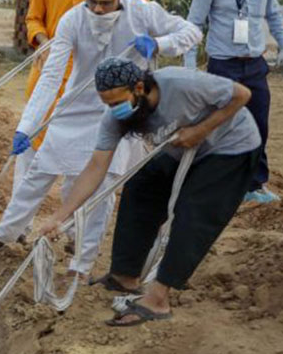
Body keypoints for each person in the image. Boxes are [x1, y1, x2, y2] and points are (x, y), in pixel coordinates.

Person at [0, 0, 202, 279]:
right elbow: (51, 75)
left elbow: (191, 32)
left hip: (121, 112)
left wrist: (160, 44)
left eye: (105, 2)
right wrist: (27, 125)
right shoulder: (73, 19)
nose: (97, 8)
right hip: (75, 109)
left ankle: (81, 262)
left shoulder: (142, 12)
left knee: (102, 188)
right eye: (91, 0)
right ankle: (4, 234)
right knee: (40, 171)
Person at [41, 58, 261, 326]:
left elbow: (242, 94)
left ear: (139, 87)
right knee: (140, 187)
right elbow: (96, 168)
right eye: (108, 104)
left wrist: (201, 130)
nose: (114, 110)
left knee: (193, 213)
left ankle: (158, 300)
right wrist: (60, 216)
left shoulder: (181, 83)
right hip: (178, 150)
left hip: (230, 147)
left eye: (117, 102)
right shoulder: (115, 118)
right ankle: (125, 275)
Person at [18, 0, 147, 197]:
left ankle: (71, 226)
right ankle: (18, 228)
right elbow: (33, 19)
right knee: (31, 145)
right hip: (49, 75)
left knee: (81, 156)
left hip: (87, 83)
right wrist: (42, 42)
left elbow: (140, 5)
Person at [185, 0, 283, 204]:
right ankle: (216, 182)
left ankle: (254, 184)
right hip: (223, 65)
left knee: (258, 124)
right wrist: (190, 65)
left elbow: (274, 15)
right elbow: (195, 24)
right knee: (219, 125)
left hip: (254, 64)